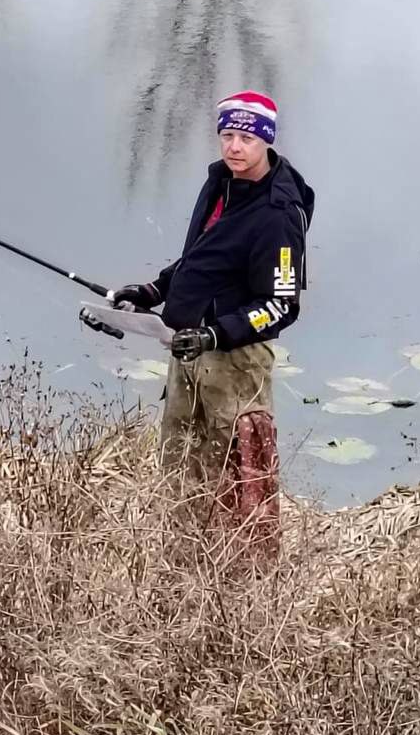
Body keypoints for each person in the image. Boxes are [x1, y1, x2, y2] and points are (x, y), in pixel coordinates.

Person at [82, 91, 314, 555]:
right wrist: (153, 290)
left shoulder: (278, 216)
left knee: (236, 469)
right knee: (179, 459)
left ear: (266, 141)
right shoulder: (220, 183)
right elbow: (201, 260)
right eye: (227, 135)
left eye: (246, 137)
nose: (234, 147)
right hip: (187, 349)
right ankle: (184, 558)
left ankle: (243, 570)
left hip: (236, 362)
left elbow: (282, 304)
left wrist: (215, 332)